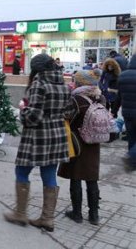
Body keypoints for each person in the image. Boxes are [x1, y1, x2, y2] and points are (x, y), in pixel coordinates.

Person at [4, 53, 70, 232]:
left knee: (22, 171)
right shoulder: (63, 84)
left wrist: (23, 109)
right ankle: (47, 219)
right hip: (57, 136)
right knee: (49, 174)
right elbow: (67, 110)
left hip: (38, 138)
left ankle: (20, 214)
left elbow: (33, 117)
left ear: (37, 69)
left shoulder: (39, 84)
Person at [58, 69, 105, 225]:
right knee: (92, 178)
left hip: (77, 142)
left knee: (75, 175)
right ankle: (94, 215)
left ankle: (77, 213)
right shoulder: (100, 97)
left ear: (80, 83)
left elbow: (65, 115)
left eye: (75, 80)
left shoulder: (76, 99)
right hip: (94, 143)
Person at [118, 53, 136, 171]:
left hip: (127, 112)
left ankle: (133, 161)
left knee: (131, 137)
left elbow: (119, 96)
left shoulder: (122, 75)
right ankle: (131, 156)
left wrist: (114, 110)